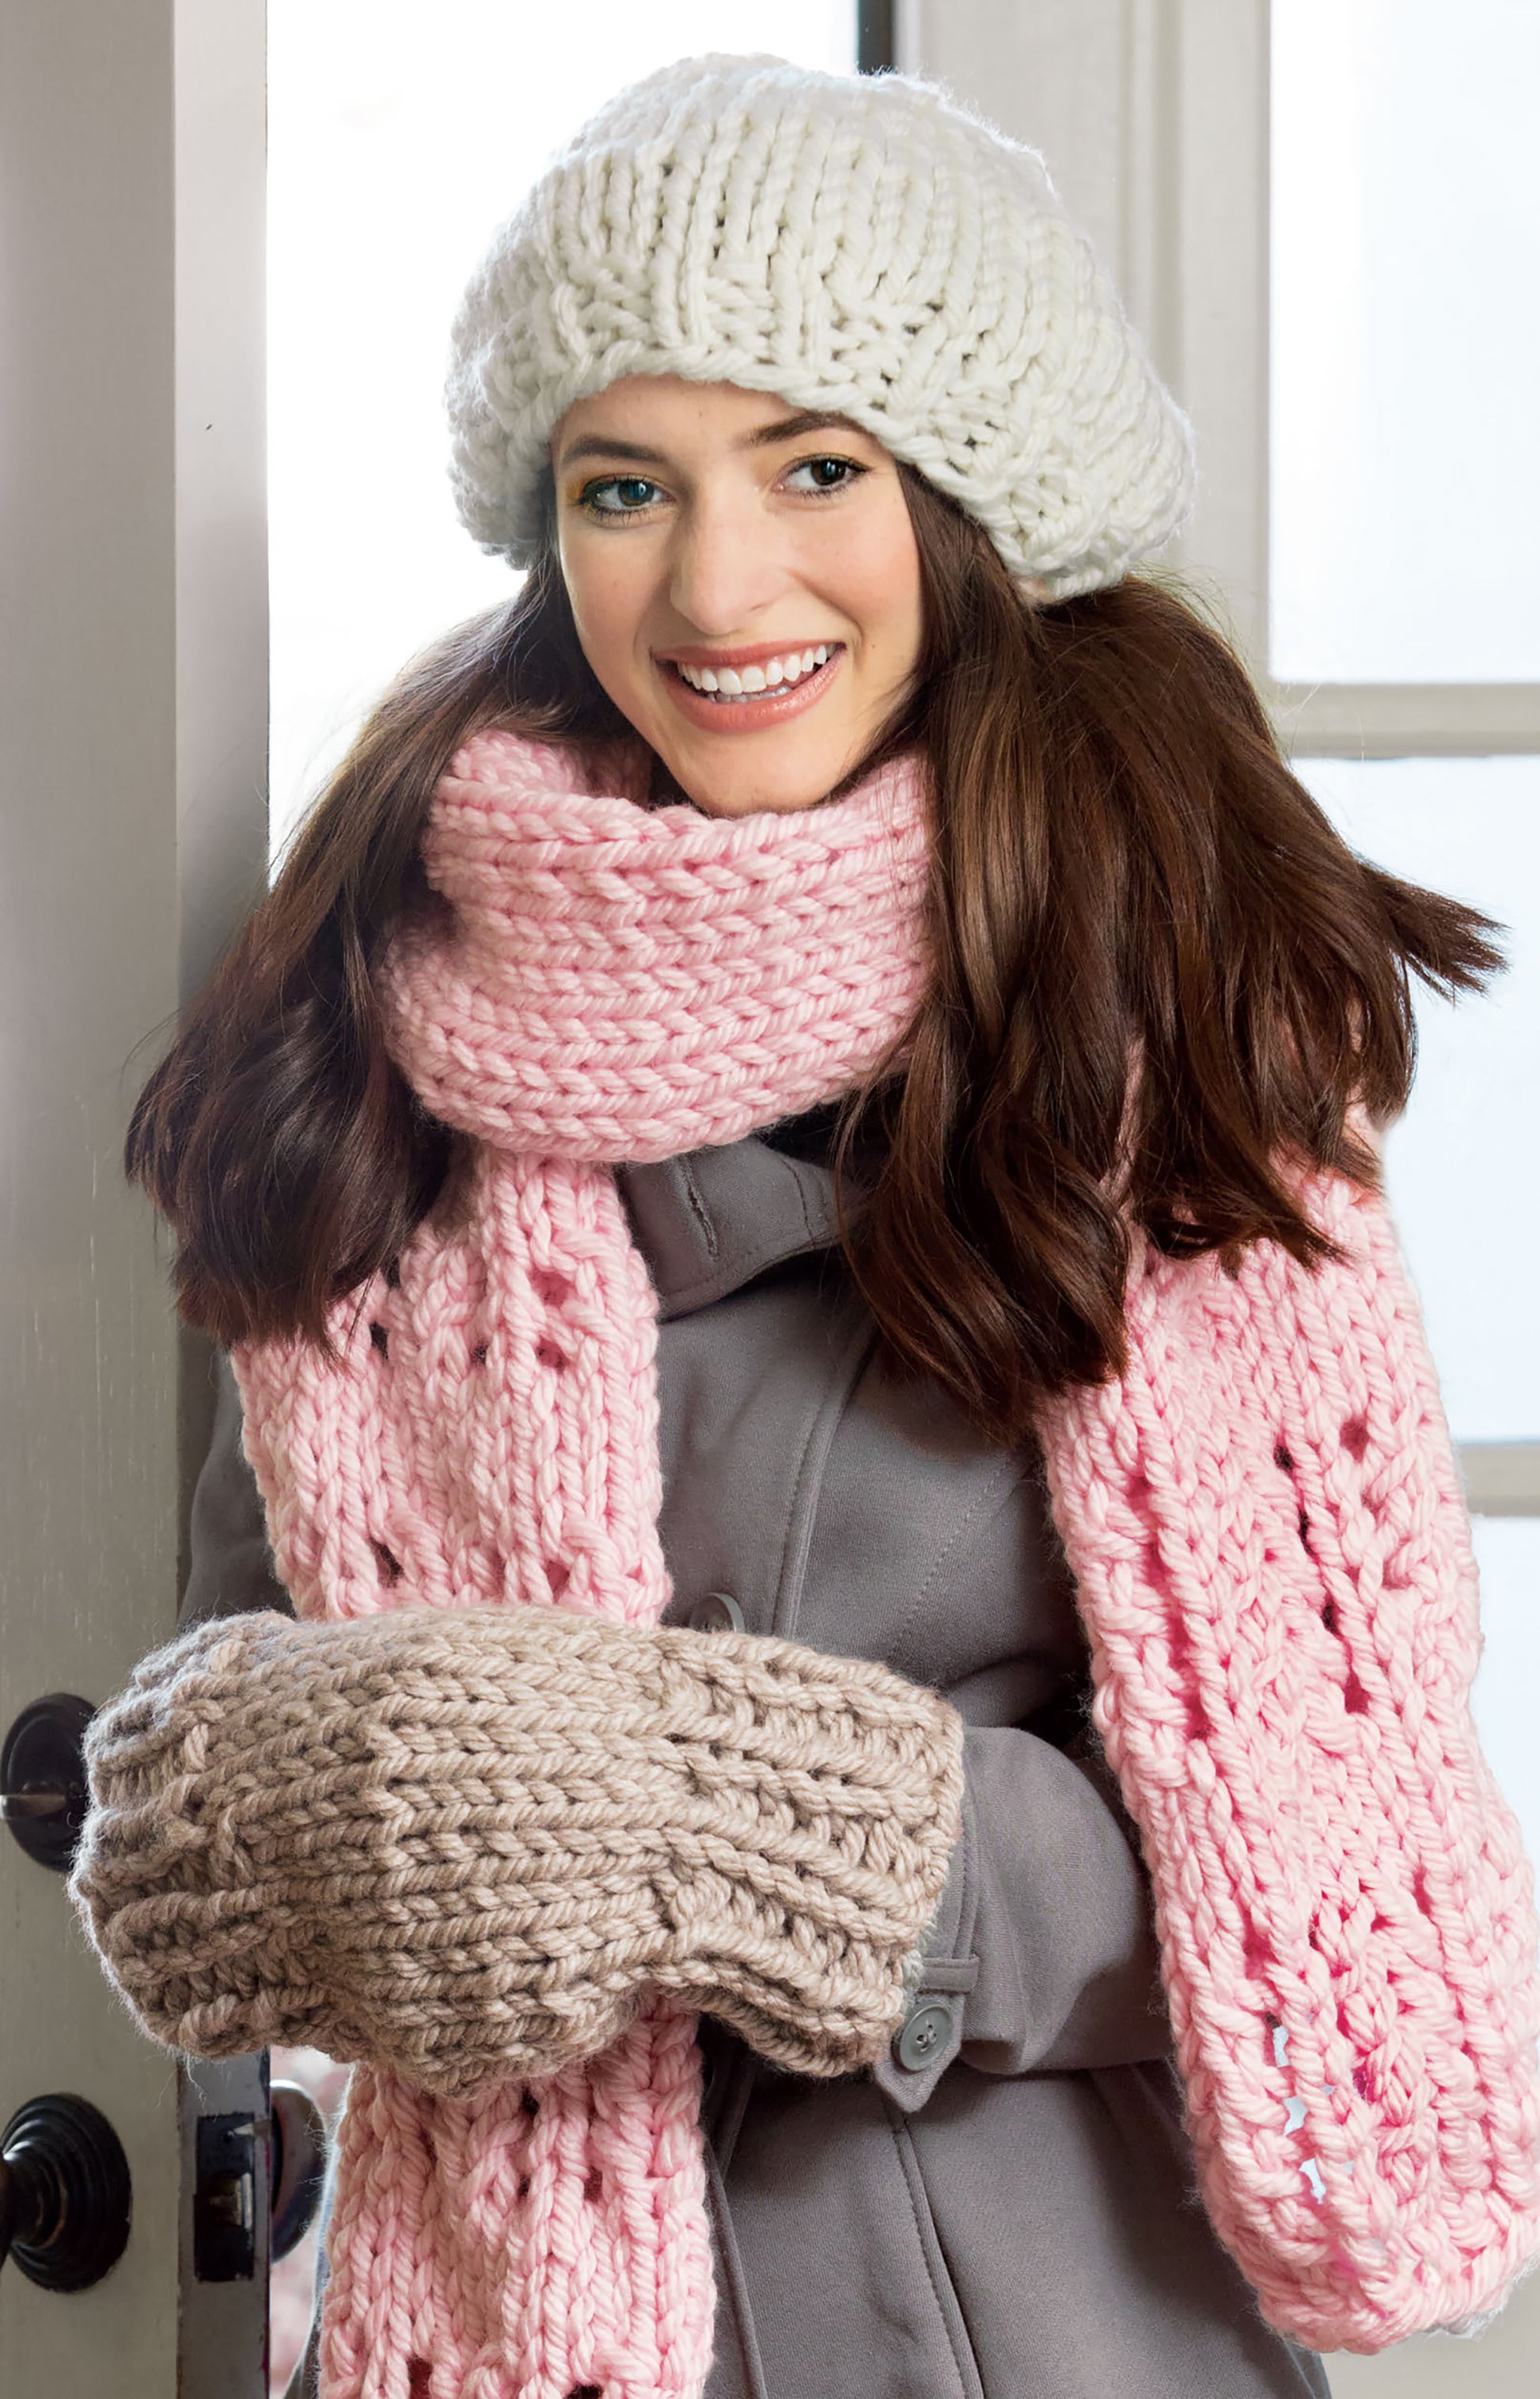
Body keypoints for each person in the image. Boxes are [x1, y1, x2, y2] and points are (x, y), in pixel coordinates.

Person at [68, 53, 1540, 2399]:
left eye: (817, 466)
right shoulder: (384, 1022)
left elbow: (1328, 1873)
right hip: (498, 2322)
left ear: (970, 509)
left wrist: (803, 1838)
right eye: (620, 486)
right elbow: (236, 1728)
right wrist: (237, 1796)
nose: (715, 582)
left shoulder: (1179, 1048)